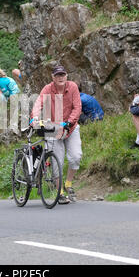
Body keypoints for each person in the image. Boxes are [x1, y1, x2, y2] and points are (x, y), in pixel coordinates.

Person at [31, 65, 82, 204]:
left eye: (63, 75)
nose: (60, 77)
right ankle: (59, 191)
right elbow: (38, 104)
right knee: (56, 161)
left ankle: (68, 184)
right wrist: (34, 117)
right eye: (57, 75)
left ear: (66, 76)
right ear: (53, 77)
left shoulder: (72, 87)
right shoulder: (47, 89)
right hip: (53, 129)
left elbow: (77, 107)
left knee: (76, 156)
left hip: (70, 128)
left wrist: (70, 122)